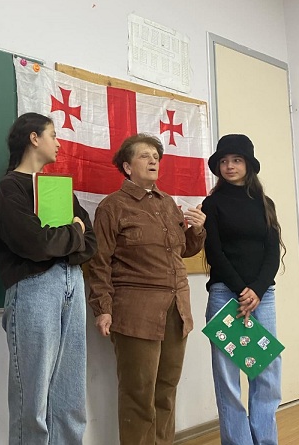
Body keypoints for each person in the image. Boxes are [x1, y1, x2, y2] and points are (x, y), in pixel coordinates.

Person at [88, 133, 206, 445]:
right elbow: (99, 263)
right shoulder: (112, 207)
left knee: (166, 391)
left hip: (177, 311)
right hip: (136, 313)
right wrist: (102, 309)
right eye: (145, 156)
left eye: (156, 157)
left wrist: (197, 230)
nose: (153, 161)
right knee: (138, 395)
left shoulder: (168, 204)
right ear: (127, 167)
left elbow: (182, 250)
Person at [0, 112, 96, 445]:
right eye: (53, 135)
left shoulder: (57, 187)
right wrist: (73, 233)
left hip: (72, 283)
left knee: (70, 394)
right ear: (34, 138)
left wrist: (64, 239)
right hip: (34, 288)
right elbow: (36, 244)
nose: (59, 143)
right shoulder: (11, 187)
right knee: (33, 396)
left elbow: (91, 242)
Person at [202, 134, 285, 445]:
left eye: (236, 160)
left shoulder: (265, 204)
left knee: (266, 372)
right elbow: (214, 253)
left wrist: (257, 291)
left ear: (248, 164)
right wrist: (241, 290)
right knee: (228, 378)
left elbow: (272, 253)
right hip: (226, 295)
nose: (229, 166)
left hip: (262, 297)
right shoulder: (212, 204)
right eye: (224, 161)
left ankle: (265, 440)